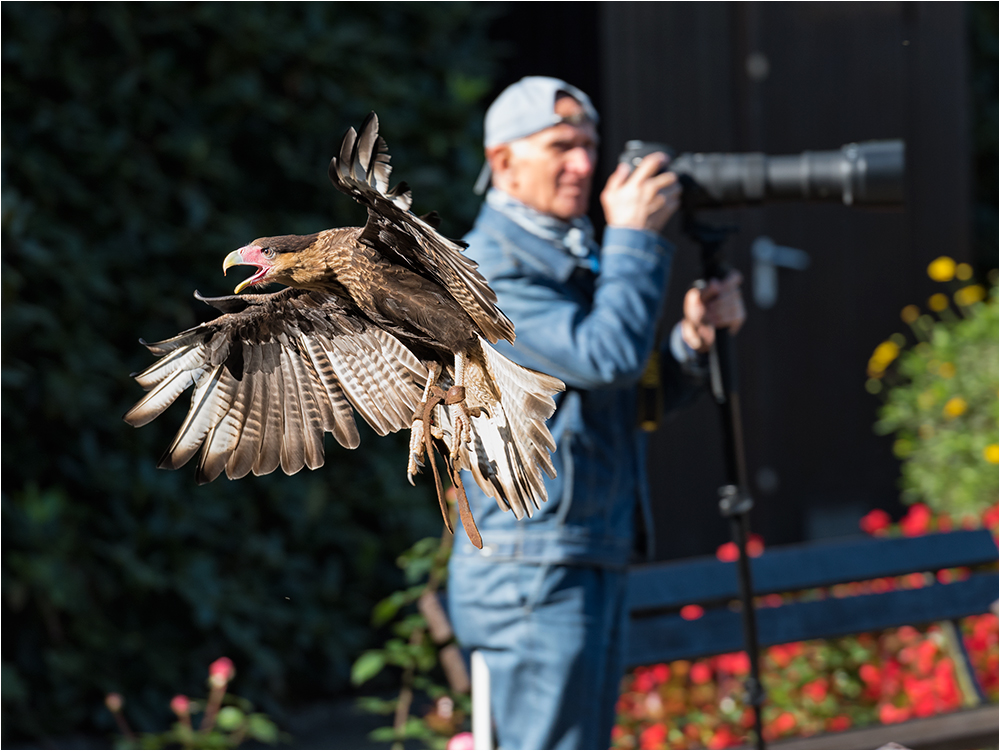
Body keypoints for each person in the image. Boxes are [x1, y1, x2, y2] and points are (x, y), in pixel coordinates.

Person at [446, 76, 745, 750]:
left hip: (577, 555)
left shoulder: (567, 258)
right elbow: (606, 354)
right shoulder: (487, 272)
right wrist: (634, 237)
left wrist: (690, 341)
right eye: (560, 146)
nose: (583, 164)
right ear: (503, 161)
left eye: (588, 145)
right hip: (532, 575)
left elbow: (624, 397)